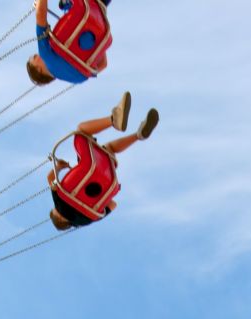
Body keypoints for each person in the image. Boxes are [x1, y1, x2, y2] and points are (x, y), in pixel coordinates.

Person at [48, 92, 158, 230]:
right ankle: (113, 119)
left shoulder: (87, 220)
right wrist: (59, 166)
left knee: (108, 149)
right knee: (81, 131)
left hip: (107, 178)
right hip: (88, 166)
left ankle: (138, 135)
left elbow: (113, 205)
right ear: (58, 216)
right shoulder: (59, 203)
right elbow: (50, 178)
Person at [28, 0, 112, 86]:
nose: (37, 55)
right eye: (35, 57)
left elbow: (103, 64)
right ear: (39, 69)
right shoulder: (45, 54)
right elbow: (40, 14)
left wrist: (95, 34)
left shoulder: (78, 79)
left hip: (99, 17)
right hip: (83, 9)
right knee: (63, 5)